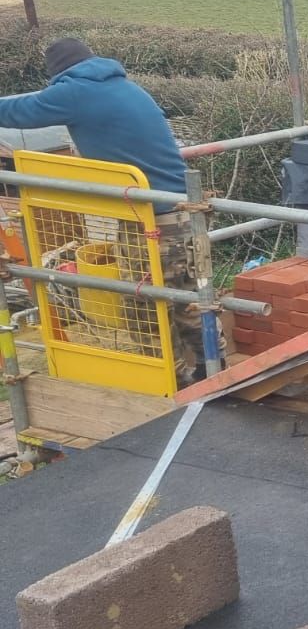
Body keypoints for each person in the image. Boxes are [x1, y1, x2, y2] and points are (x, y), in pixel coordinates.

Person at [0, 38, 206, 385]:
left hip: (150, 217)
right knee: (184, 298)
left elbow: (17, 111)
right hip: (178, 209)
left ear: (59, 74)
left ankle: (168, 382)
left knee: (144, 305)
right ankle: (211, 368)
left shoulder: (75, 92)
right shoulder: (125, 86)